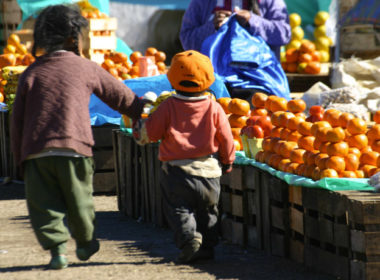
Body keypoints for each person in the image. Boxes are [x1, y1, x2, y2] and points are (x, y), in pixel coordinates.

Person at [10, 4, 145, 270]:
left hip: (37, 151)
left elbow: (17, 121)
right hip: (75, 148)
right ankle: (85, 242)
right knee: (79, 199)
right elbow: (120, 95)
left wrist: (19, 158)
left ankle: (57, 249)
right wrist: (142, 111)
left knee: (44, 205)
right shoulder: (86, 68)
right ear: (75, 38)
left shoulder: (31, 73)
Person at [133, 50, 236, 263]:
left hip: (176, 172)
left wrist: (143, 117)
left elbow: (150, 134)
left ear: (172, 78)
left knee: (179, 209)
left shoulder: (168, 106)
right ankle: (207, 247)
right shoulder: (214, 107)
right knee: (209, 212)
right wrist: (227, 161)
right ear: (209, 80)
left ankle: (189, 240)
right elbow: (226, 138)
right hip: (209, 172)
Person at [180, 0, 291, 61]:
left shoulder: (270, 2)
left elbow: (284, 34)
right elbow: (187, 40)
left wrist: (252, 20)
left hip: (259, 80)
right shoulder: (202, 2)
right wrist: (211, 26)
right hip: (212, 79)